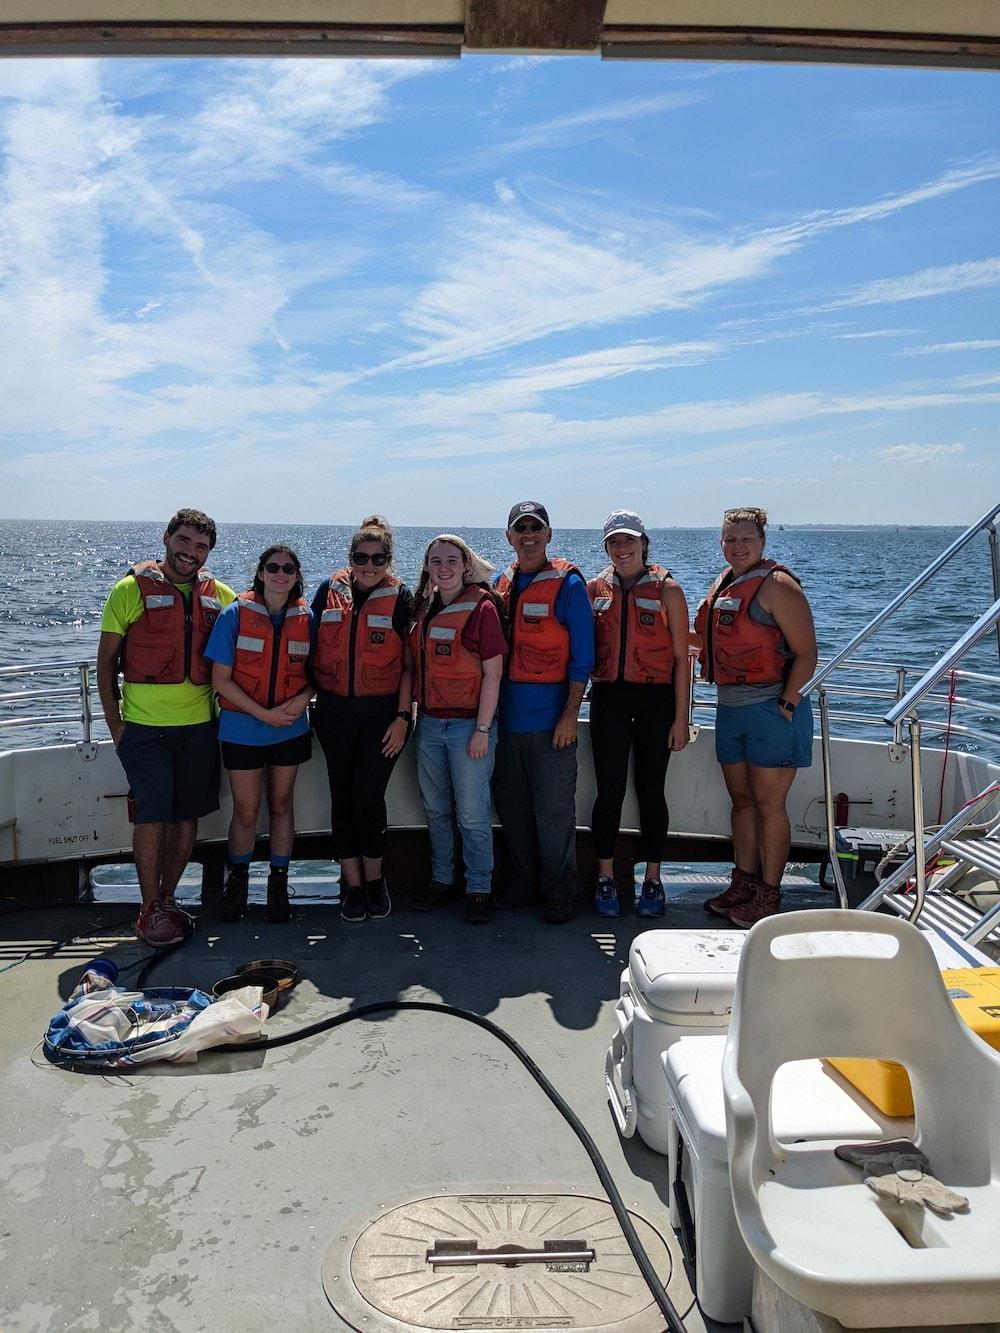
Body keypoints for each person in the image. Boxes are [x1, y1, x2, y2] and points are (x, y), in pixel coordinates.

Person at [96, 508, 235, 947]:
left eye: (201, 547)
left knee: (186, 815)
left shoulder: (223, 597)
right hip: (143, 729)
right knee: (153, 815)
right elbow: (104, 667)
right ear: (166, 538)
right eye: (184, 542)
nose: (190, 553)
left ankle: (170, 899)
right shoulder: (128, 591)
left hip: (200, 728)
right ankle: (149, 906)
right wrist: (116, 724)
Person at [693, 506, 817, 927]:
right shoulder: (724, 583)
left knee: (769, 804)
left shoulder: (777, 585)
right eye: (730, 539)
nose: (737, 546)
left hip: (771, 711)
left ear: (763, 542)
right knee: (741, 801)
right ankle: (742, 884)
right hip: (730, 708)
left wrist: (785, 704)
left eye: (746, 538)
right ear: (721, 542)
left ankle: (769, 894)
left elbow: (807, 653)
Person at [492, 501, 595, 925]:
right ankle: (523, 885)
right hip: (504, 723)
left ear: (549, 535)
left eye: (536, 528)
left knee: (553, 813)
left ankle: (559, 891)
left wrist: (570, 713)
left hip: (552, 722)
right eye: (521, 529)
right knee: (512, 809)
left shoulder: (568, 585)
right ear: (509, 537)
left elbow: (583, 658)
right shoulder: (501, 583)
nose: (528, 535)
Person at [588, 509, 691, 919]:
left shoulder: (668, 590)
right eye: (614, 541)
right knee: (609, 791)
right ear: (607, 547)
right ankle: (605, 877)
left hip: (656, 702)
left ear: (644, 543)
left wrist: (680, 718)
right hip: (609, 698)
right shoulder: (596, 587)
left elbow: (683, 660)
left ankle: (653, 879)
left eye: (629, 540)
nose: (622, 548)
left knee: (651, 790)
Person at [204, 545, 315, 925]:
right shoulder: (234, 614)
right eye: (273, 567)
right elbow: (221, 680)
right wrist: (262, 713)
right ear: (261, 572)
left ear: (297, 575)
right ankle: (236, 885)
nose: (280, 574)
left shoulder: (308, 618)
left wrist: (302, 700)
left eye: (288, 568)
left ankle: (278, 888)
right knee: (247, 810)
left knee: (282, 805)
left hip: (289, 727)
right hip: (241, 728)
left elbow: (316, 675)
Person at [311, 516, 414, 923]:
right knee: (342, 797)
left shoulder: (401, 597)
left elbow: (409, 666)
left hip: (383, 714)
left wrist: (404, 717)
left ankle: (375, 882)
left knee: (367, 797)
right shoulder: (327, 591)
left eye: (379, 558)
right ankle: (352, 886)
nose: (369, 564)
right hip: (334, 712)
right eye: (361, 556)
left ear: (389, 559)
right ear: (349, 557)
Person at [407, 535, 507, 925]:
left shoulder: (482, 609)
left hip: (469, 725)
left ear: (465, 566)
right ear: (427, 566)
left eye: (452, 560)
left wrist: (482, 729)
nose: (444, 567)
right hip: (429, 723)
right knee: (435, 810)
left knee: (471, 813)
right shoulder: (424, 607)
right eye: (436, 561)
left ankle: (479, 887)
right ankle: (441, 879)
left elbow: (492, 674)